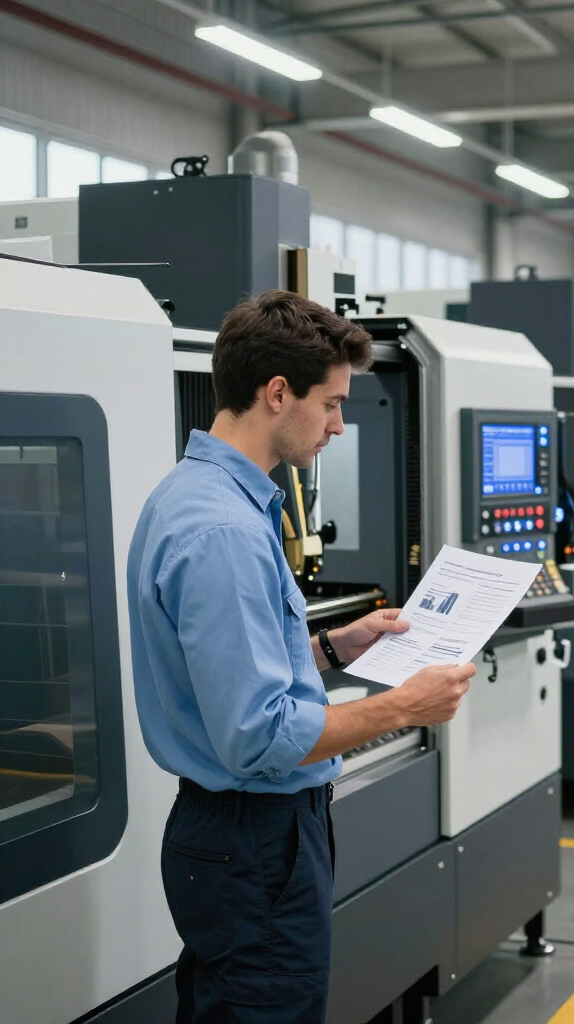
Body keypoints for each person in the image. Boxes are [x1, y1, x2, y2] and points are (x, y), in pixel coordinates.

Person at [127, 289, 475, 1024]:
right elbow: (259, 736)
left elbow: (225, 671)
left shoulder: (200, 497)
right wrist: (405, 705)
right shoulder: (222, 530)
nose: (340, 426)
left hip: (237, 838)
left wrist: (329, 648)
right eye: (332, 405)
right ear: (278, 393)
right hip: (256, 843)